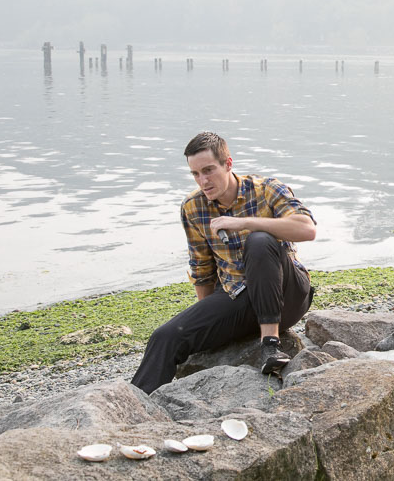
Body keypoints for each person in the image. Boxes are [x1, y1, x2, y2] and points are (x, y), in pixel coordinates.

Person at [131, 131, 316, 394]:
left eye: (208, 170)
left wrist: (243, 223)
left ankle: (270, 345)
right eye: (195, 174)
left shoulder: (267, 189)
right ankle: (135, 409)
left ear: (228, 164)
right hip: (239, 298)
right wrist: (206, 321)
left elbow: (307, 229)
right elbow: (202, 269)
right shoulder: (193, 207)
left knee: (260, 241)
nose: (203, 181)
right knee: (166, 337)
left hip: (288, 295)